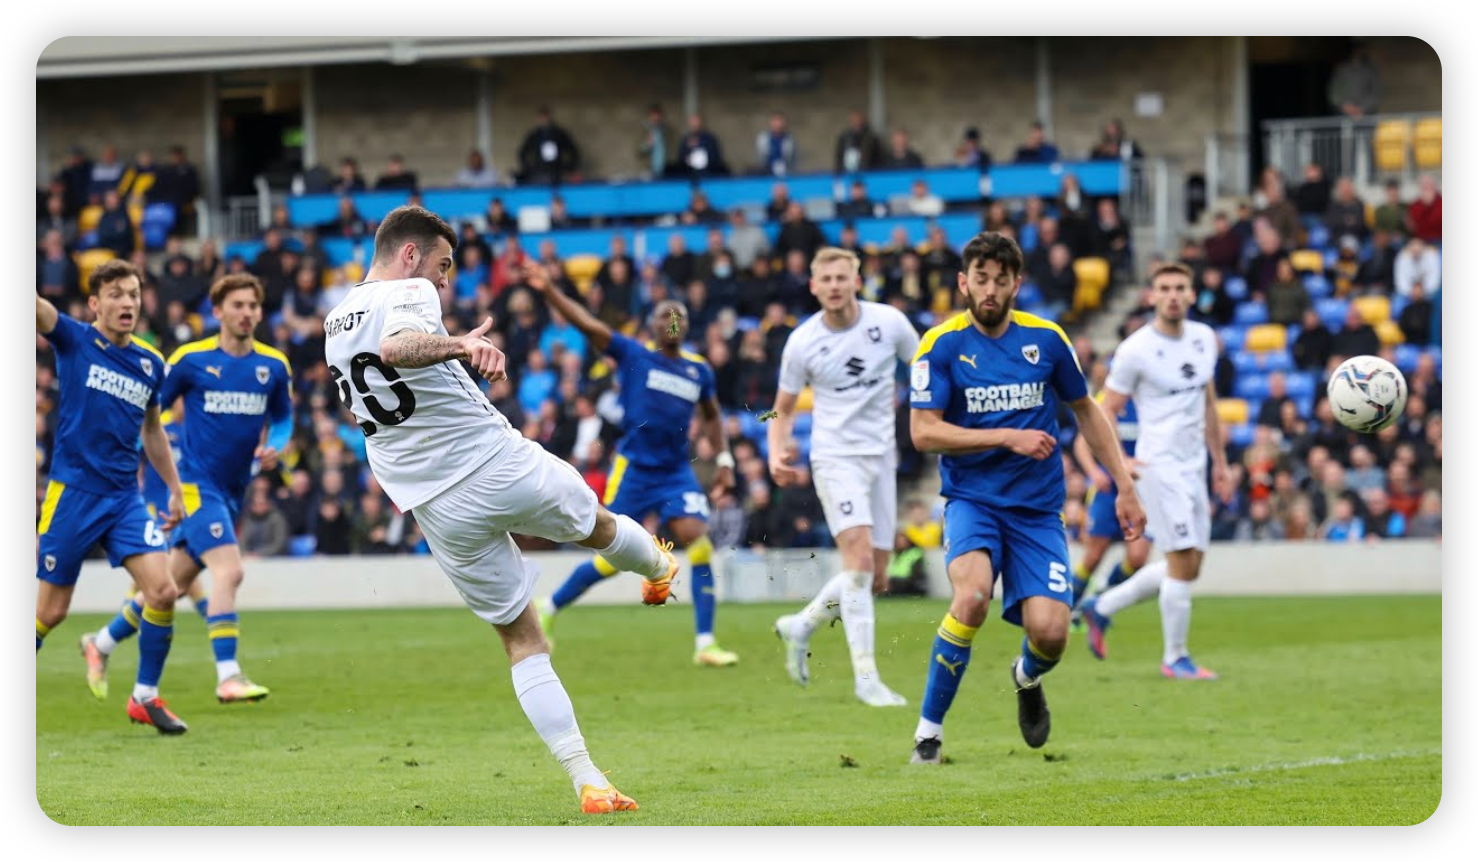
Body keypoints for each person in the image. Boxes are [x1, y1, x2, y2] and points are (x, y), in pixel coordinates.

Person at [323, 205, 678, 814]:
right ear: (410, 255)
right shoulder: (407, 289)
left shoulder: (334, 320)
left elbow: (368, 393)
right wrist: (459, 343)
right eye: (442, 267)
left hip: (433, 504)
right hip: (492, 462)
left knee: (522, 638)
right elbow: (397, 345)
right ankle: (657, 570)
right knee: (597, 525)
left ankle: (588, 780)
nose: (442, 282)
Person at [905, 232, 1145, 763]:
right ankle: (928, 734)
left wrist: (1125, 485)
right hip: (973, 500)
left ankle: (1025, 677)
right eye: (981, 280)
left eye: (1001, 280)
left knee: (1052, 633)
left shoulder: (1048, 340)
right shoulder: (939, 346)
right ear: (963, 283)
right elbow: (923, 432)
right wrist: (1005, 437)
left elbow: (1087, 409)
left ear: (1017, 284)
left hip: (1037, 511)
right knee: (969, 599)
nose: (990, 290)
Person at [83, 273, 294, 706]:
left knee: (170, 587)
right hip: (196, 486)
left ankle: (100, 643)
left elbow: (285, 418)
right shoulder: (191, 360)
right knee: (229, 571)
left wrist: (274, 446)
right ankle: (228, 675)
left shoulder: (273, 366)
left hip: (234, 490)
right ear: (217, 312)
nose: (247, 313)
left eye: (252, 306)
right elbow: (148, 408)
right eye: (237, 305)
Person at [528, 259, 741, 668]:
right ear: (651, 326)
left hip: (676, 471)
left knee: (698, 543)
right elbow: (589, 325)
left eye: (678, 315)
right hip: (636, 469)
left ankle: (705, 644)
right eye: (664, 315)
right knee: (612, 557)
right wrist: (550, 290)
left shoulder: (700, 371)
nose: (671, 319)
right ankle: (550, 607)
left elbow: (713, 417)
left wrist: (725, 459)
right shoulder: (635, 355)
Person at [35, 260, 190, 734]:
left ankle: (145, 696)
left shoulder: (151, 363)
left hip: (123, 498)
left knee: (163, 590)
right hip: (74, 492)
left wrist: (175, 489)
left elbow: (152, 429)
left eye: (135, 294)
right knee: (51, 612)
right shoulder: (75, 339)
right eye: (117, 294)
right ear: (95, 303)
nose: (128, 303)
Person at [766, 247, 921, 707]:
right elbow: (783, 406)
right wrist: (776, 449)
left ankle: (802, 624)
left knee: (873, 576)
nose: (834, 285)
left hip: (882, 458)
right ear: (813, 287)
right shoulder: (802, 342)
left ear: (857, 280)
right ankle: (867, 679)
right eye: (825, 279)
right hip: (835, 459)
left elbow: (927, 368)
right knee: (856, 563)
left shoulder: (890, 323)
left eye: (842, 277)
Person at [1079, 263, 1230, 680]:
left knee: (1190, 565)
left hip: (1195, 463)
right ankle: (1175, 657)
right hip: (1158, 467)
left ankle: (1101, 606)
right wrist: (1119, 462)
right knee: (1180, 558)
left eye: (1181, 287)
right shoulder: (1135, 350)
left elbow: (1210, 404)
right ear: (1151, 297)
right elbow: (1103, 409)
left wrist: (1221, 463)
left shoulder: (1203, 340)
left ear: (1193, 293)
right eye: (1164, 288)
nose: (1173, 295)